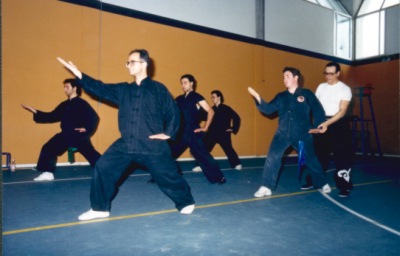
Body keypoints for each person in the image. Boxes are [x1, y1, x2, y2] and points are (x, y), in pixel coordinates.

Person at [57, 49, 195, 221]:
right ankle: (99, 208)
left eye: (131, 61)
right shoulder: (123, 89)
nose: (128, 65)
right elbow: (101, 88)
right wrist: (79, 74)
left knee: (168, 176)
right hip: (126, 143)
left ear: (144, 64)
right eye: (127, 62)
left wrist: (168, 133)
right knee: (102, 167)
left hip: (152, 144)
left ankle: (186, 201)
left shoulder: (158, 89)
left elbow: (173, 111)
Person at [248, 67, 331, 197]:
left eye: (287, 76)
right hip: (282, 134)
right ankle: (266, 186)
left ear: (296, 78)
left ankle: (322, 183)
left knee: (311, 159)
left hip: (303, 135)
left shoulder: (307, 94)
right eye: (283, 77)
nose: (284, 79)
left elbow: (318, 111)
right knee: (273, 157)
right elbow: (268, 109)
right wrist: (258, 98)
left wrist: (318, 126)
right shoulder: (281, 96)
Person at [21, 79, 101, 181]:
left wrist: (86, 128)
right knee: (49, 148)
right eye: (64, 87)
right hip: (67, 134)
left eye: (67, 87)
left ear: (74, 88)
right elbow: (51, 116)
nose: (64, 89)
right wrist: (35, 112)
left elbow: (94, 117)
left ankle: (109, 169)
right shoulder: (64, 104)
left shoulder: (82, 103)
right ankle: (48, 172)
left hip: (78, 135)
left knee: (91, 155)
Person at [303, 62, 353, 197]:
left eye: (331, 73)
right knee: (319, 154)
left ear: (338, 73)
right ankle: (315, 180)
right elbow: (314, 105)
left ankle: (344, 186)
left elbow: (342, 111)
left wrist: (328, 123)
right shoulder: (321, 87)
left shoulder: (345, 89)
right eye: (326, 73)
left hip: (338, 124)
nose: (328, 76)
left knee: (341, 157)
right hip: (321, 122)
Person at [170, 74, 226, 184]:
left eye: (185, 82)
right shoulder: (179, 99)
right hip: (181, 132)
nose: (183, 85)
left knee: (203, 156)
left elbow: (211, 111)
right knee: (168, 153)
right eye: (181, 83)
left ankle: (218, 177)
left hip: (193, 132)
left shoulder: (197, 97)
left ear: (192, 83)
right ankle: (162, 176)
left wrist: (205, 127)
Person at [192, 90, 242, 172]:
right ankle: (200, 165)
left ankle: (236, 164)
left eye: (213, 97)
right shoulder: (211, 110)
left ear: (219, 97)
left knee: (228, 149)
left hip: (223, 133)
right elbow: (203, 116)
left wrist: (233, 128)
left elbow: (236, 118)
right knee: (203, 149)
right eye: (211, 97)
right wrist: (198, 108)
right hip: (212, 133)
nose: (212, 99)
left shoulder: (226, 108)